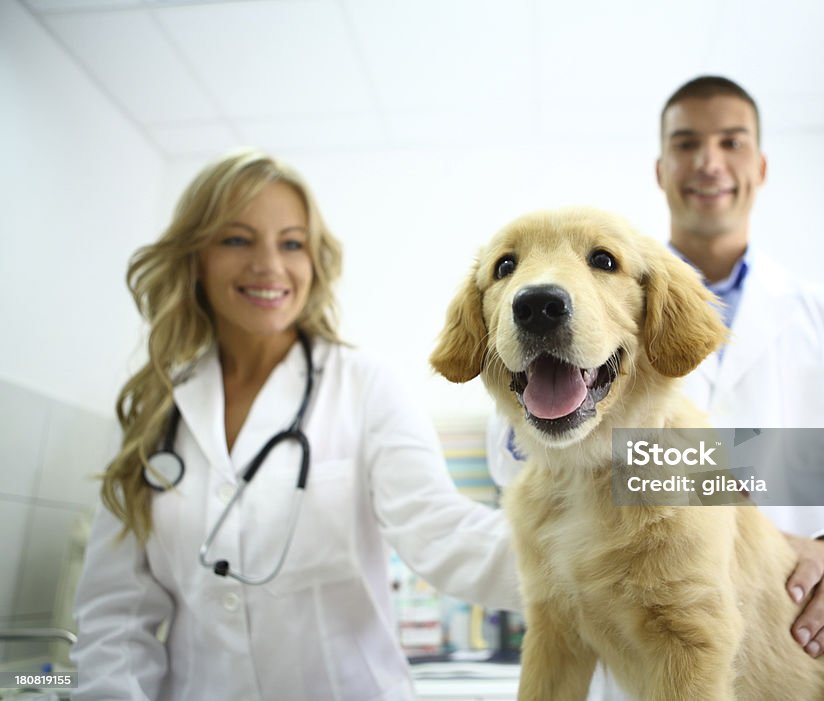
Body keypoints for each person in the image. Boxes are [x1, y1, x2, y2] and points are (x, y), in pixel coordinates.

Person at [488, 75, 824, 698]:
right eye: (686, 143)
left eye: (731, 142)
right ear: (661, 168)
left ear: (759, 164)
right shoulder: (561, 306)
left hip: (812, 653)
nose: (708, 161)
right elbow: (516, 453)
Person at [71, 148, 519, 700]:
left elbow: (443, 534)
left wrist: (599, 555)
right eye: (237, 239)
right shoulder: (156, 410)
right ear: (196, 257)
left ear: (314, 261)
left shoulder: (365, 385)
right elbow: (113, 619)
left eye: (291, 243)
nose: (270, 266)